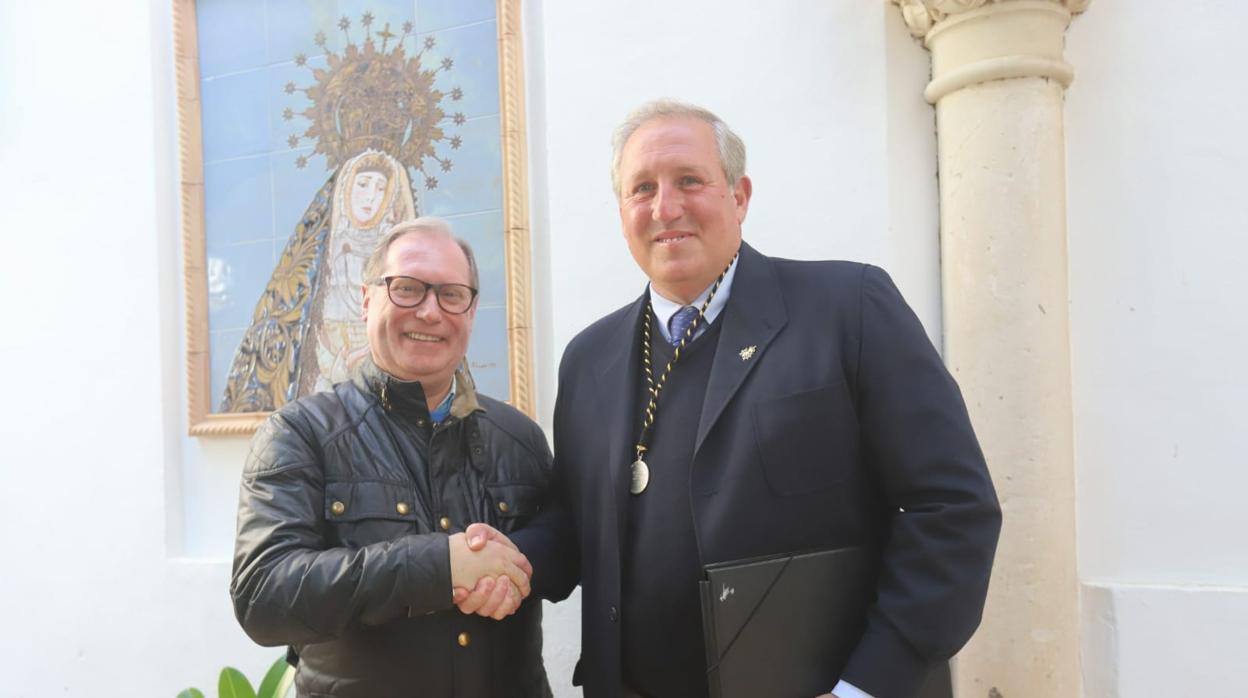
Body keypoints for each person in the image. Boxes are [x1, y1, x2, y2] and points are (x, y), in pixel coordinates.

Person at [499, 100, 1002, 698]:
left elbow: (951, 509)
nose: (666, 207)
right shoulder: (589, 358)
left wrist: (864, 687)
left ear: (739, 196)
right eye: (642, 189)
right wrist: (508, 561)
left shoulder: (849, 308)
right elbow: (579, 525)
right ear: (622, 211)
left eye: (690, 180)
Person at [230, 217, 553, 697]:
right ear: (366, 300)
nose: (429, 311)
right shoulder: (299, 435)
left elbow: (563, 545)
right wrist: (439, 566)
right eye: (407, 288)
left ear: (471, 309)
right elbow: (263, 596)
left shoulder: (519, 437)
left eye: (451, 294)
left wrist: (514, 569)